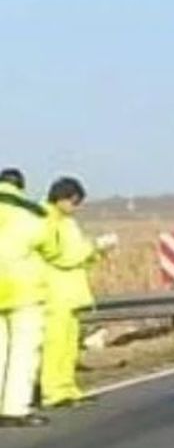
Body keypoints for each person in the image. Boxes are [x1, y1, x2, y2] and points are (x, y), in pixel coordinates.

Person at [41, 177, 118, 408]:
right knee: (54, 345)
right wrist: (93, 247)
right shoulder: (46, 220)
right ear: (62, 198)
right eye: (74, 202)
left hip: (70, 292)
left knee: (68, 346)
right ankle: (53, 391)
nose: (76, 208)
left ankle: (67, 387)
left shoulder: (67, 222)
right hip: (54, 291)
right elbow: (61, 256)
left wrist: (97, 252)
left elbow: (78, 255)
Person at [0, 169, 55, 427]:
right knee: (23, 350)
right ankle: (15, 408)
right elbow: (51, 248)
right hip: (22, 289)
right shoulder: (32, 214)